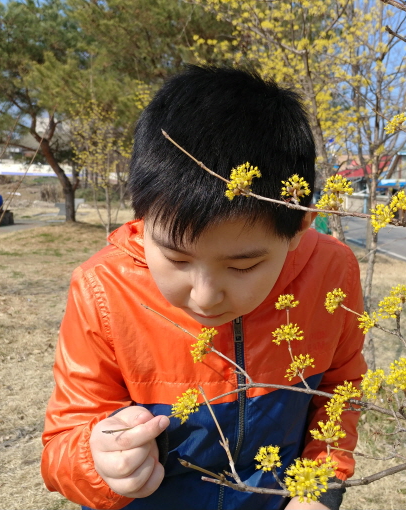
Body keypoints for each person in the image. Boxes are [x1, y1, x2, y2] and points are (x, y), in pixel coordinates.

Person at [41, 65, 366, 510]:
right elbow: (62, 442)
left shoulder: (332, 270)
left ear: (299, 227)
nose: (204, 295)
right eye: (176, 259)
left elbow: (341, 385)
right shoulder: (104, 286)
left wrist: (319, 489)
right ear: (142, 215)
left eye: (243, 265)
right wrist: (98, 462)